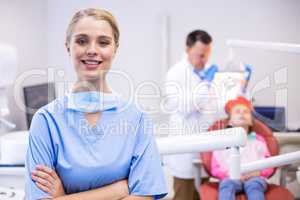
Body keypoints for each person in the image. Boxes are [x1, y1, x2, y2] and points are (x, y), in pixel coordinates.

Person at [25, 8, 168, 200]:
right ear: (68, 46)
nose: (92, 50)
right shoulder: (46, 121)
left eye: (103, 42)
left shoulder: (136, 119)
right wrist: (118, 190)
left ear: (115, 48)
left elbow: (145, 197)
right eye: (82, 41)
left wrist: (63, 197)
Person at [164, 30, 219, 200]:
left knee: (205, 196)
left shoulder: (207, 73)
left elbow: (216, 107)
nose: (204, 60)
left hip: (205, 149)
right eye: (200, 55)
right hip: (185, 152)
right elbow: (184, 106)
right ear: (188, 49)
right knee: (185, 196)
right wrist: (204, 85)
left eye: (207, 55)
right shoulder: (176, 73)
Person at [211, 96, 274, 200]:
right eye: (237, 111)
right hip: (230, 178)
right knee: (226, 186)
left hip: (255, 177)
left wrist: (258, 173)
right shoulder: (222, 141)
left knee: (254, 187)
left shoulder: (259, 141)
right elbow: (215, 167)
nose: (241, 113)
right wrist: (231, 174)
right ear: (230, 121)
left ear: (251, 121)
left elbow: (270, 163)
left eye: (245, 111)